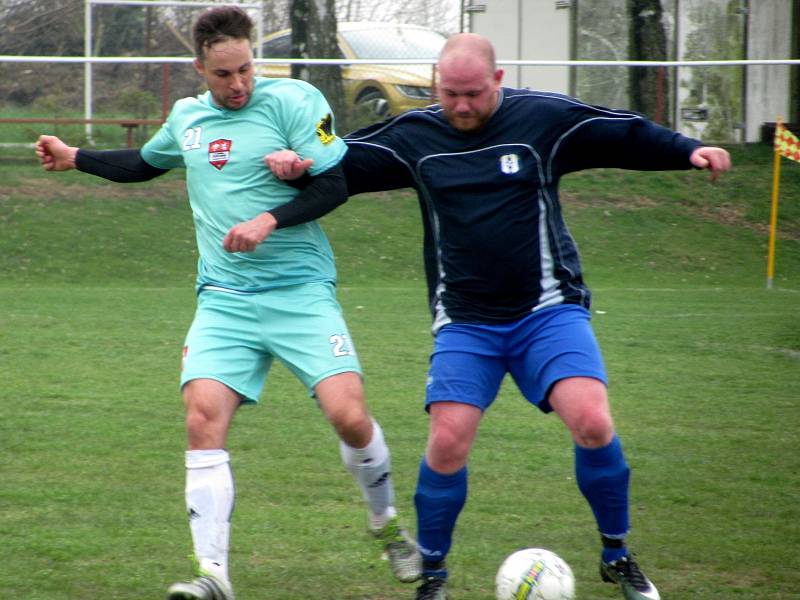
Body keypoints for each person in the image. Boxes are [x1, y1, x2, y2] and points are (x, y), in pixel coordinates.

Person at [264, 33, 731, 600]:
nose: (461, 106)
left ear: (499, 80)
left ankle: (617, 553)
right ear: (436, 85)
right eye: (450, 93)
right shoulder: (416, 137)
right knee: (448, 439)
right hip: (465, 321)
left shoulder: (542, 121)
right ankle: (432, 576)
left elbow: (618, 132)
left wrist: (686, 150)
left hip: (547, 311)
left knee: (592, 420)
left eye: (474, 94)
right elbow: (348, 162)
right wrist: (300, 166)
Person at [34, 6, 421, 600]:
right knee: (200, 419)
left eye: (245, 69)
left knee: (349, 416)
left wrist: (271, 213)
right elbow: (144, 163)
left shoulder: (294, 103)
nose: (238, 84)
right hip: (225, 300)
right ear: (200, 68)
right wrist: (75, 156)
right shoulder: (188, 118)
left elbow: (334, 184)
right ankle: (213, 576)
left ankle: (385, 522)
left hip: (299, 292)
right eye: (223, 75)